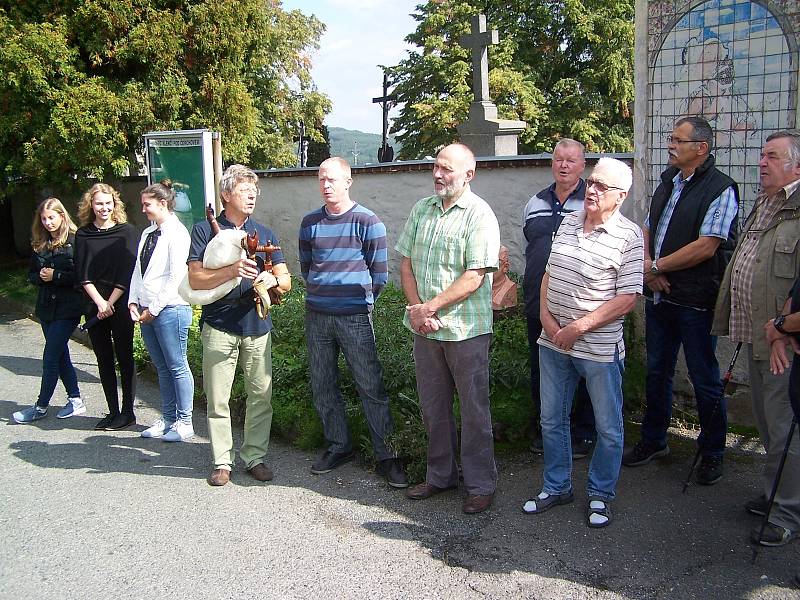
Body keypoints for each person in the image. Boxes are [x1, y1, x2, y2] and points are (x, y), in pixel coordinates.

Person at [521, 158, 643, 528]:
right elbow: (549, 273)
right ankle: (557, 486)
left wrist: (578, 327)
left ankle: (600, 494)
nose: (591, 190)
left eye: (601, 186)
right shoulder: (571, 221)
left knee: (608, 426)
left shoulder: (629, 236)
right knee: (551, 418)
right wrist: (546, 317)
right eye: (591, 182)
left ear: (620, 196)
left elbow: (627, 298)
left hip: (598, 350)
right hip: (552, 340)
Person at [623, 116, 739, 486]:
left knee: (704, 378)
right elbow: (648, 229)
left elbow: (707, 246)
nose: (671, 144)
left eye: (678, 140)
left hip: (696, 301)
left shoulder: (722, 188)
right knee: (657, 371)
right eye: (671, 138)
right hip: (661, 296)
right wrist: (651, 273)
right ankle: (655, 439)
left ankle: (712, 451)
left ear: (700, 148)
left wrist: (656, 265)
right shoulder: (667, 182)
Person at [397, 143, 500, 514]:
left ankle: (479, 484)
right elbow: (406, 264)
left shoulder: (479, 214)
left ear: (468, 174)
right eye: (436, 168)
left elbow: (474, 276)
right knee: (433, 408)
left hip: (465, 331)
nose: (438, 175)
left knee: (474, 411)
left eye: (447, 169)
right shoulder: (421, 210)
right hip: (426, 330)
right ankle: (440, 476)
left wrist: (430, 307)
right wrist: (416, 310)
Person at [713, 129, 800, 546]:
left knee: (785, 428)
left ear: (796, 165)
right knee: (768, 424)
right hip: (757, 336)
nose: (761, 162)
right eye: (762, 155)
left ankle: (787, 513)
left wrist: (785, 329)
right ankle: (775, 494)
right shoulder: (767, 202)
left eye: (772, 156)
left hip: (785, 343)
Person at [298, 157, 407, 487]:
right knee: (323, 383)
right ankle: (338, 445)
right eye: (321, 179)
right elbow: (306, 267)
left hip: (355, 317)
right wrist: (324, 294)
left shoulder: (367, 221)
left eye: (332, 179)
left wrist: (360, 302)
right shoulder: (310, 223)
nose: (326, 185)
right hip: (317, 316)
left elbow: (380, 274)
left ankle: (387, 455)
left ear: (348, 181)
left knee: (370, 385)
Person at [188, 164, 291, 486]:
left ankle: (255, 457)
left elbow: (285, 280)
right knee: (218, 398)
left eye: (254, 192)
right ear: (226, 194)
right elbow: (195, 277)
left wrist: (272, 278)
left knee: (261, 396)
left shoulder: (265, 233)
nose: (252, 197)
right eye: (245, 191)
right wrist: (232, 271)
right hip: (219, 324)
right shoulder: (204, 230)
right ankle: (222, 461)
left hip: (257, 325)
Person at [522, 138, 597, 457]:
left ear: (583, 165)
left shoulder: (591, 202)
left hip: (578, 303)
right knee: (543, 370)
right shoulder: (535, 202)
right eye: (558, 160)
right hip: (538, 304)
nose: (564, 165)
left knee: (582, 369)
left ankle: (583, 432)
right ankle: (547, 430)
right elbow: (529, 241)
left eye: (571, 160)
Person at [128, 181, 194, 442]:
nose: (143, 209)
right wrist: (133, 301)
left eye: (147, 204)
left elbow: (177, 276)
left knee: (177, 365)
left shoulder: (177, 234)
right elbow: (138, 270)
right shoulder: (147, 234)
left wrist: (153, 310)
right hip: (147, 309)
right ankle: (167, 418)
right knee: (161, 367)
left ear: (163, 204)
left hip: (170, 309)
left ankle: (185, 421)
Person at [13, 198, 85, 423]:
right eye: (44, 219)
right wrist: (42, 277)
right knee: (60, 353)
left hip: (69, 307)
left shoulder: (76, 241)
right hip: (46, 308)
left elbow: (82, 277)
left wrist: (57, 276)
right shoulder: (40, 243)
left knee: (50, 355)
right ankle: (75, 399)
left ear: (62, 216)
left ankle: (41, 406)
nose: (47, 223)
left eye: (51, 218)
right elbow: (32, 275)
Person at [74, 183, 139, 430]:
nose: (104, 208)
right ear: (91, 205)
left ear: (115, 204)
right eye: (99, 203)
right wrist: (100, 303)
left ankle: (128, 412)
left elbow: (128, 271)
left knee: (125, 357)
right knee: (103, 358)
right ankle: (112, 411)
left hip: (120, 304)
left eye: (108, 203)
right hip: (94, 305)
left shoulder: (127, 232)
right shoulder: (83, 234)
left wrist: (110, 302)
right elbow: (82, 272)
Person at [491, 245, 517, 313]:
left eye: (495, 265)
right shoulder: (483, 286)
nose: (489, 269)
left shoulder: (510, 287)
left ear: (505, 267)